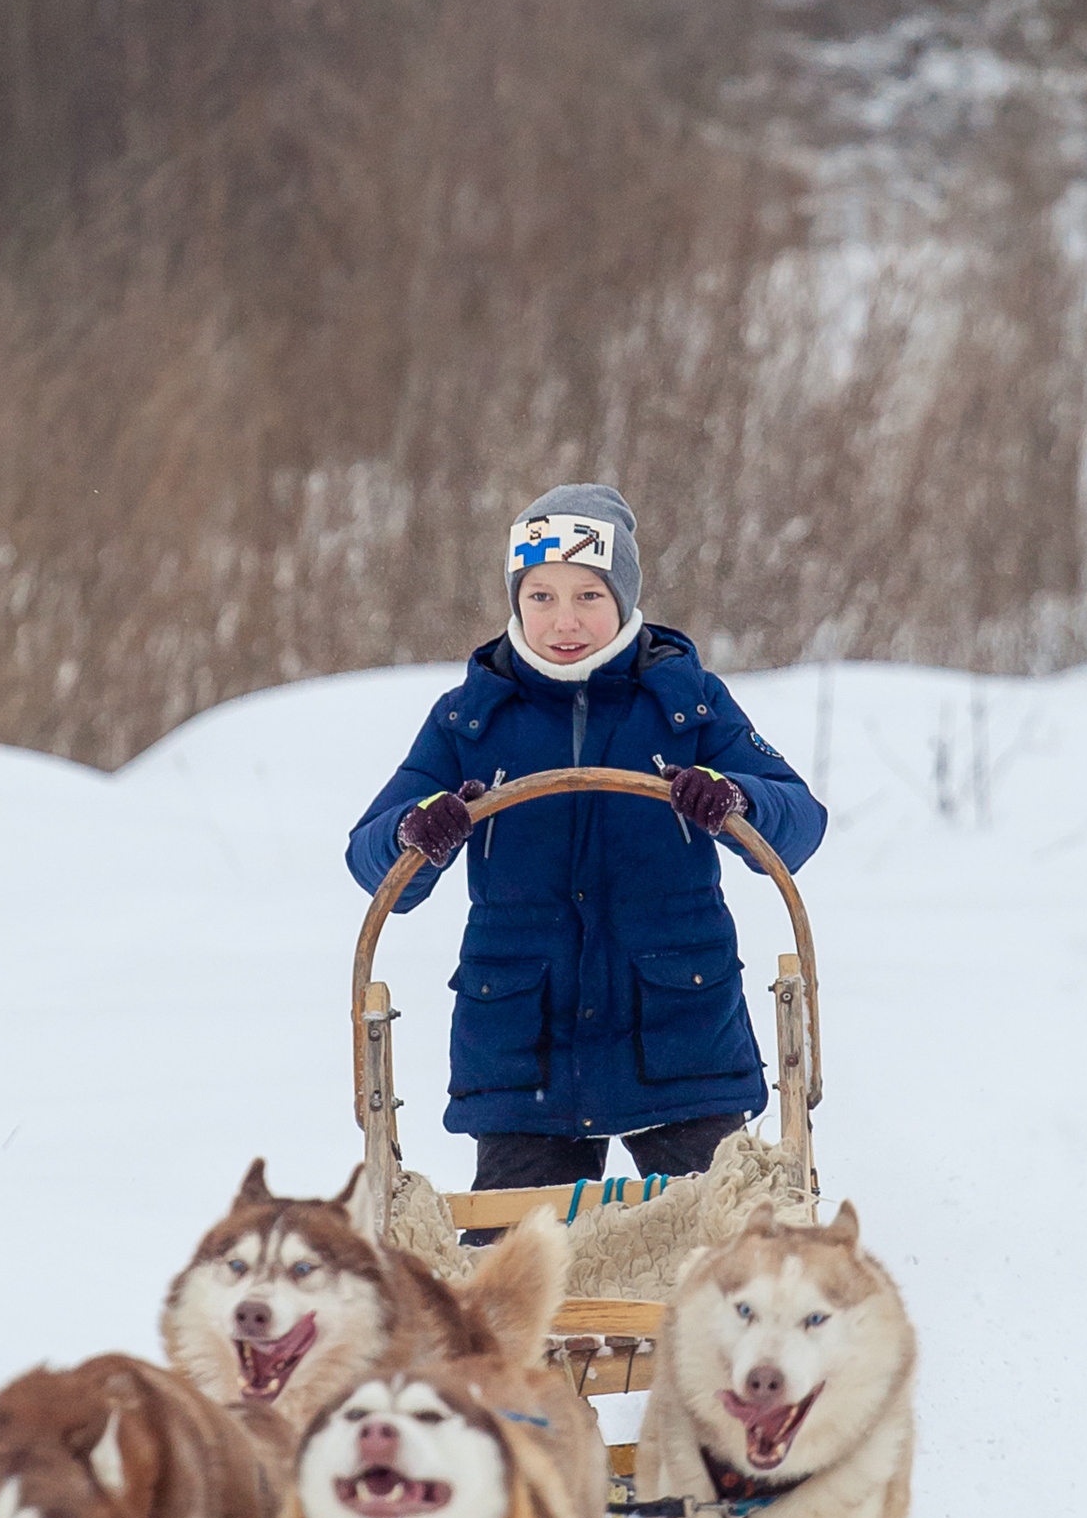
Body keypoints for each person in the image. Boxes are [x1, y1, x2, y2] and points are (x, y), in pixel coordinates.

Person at [344, 481, 826, 1195]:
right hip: (525, 1050)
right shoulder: (469, 719)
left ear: (625, 600)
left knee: (728, 1254)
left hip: (680, 1037)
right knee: (515, 1277)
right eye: (541, 596)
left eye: (589, 597)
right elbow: (372, 857)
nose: (564, 620)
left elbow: (799, 822)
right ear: (516, 600)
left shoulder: (687, 704)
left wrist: (735, 799)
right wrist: (421, 828)